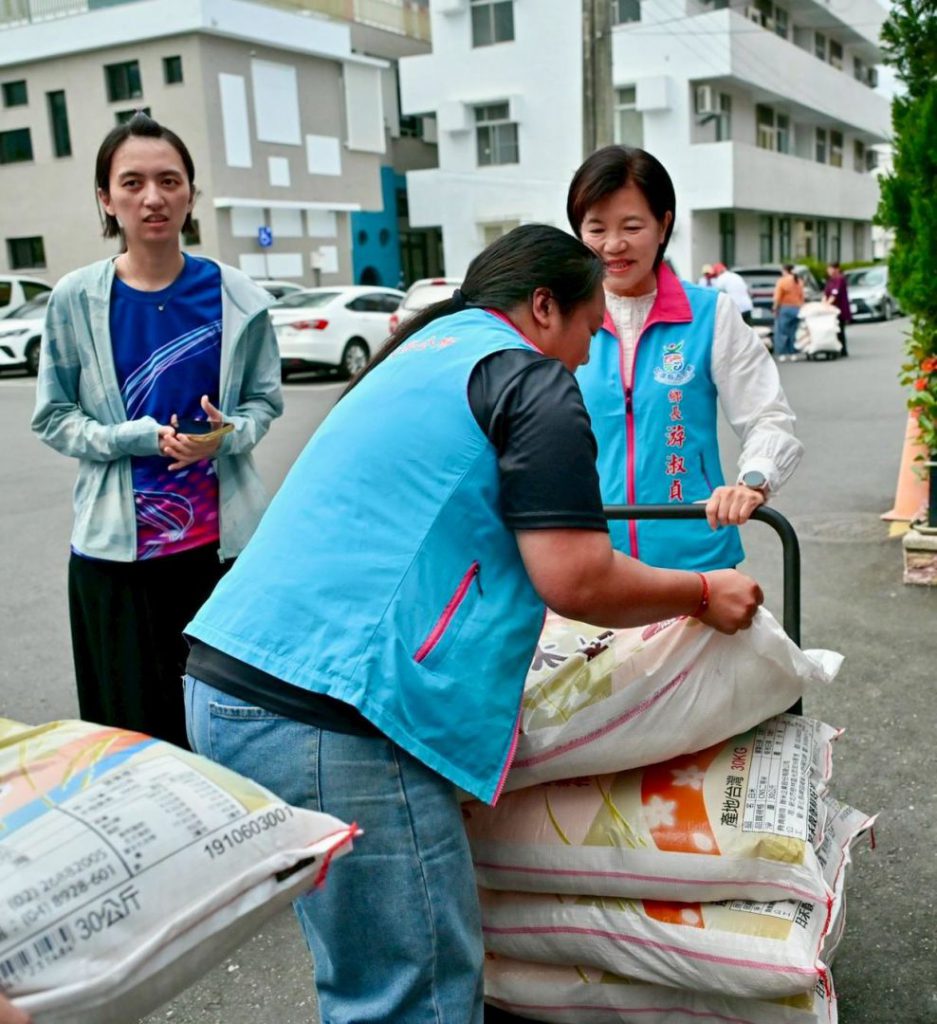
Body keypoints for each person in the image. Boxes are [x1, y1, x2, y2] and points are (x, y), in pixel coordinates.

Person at [181, 224, 764, 1024]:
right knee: (412, 998)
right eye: (588, 330)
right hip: (334, 715)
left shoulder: (418, 356)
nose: (586, 356)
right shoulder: (527, 377)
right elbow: (577, 576)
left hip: (231, 686)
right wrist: (702, 592)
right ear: (542, 307)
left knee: (363, 978)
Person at [31, 113, 283, 750]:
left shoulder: (236, 296)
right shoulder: (75, 299)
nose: (153, 197)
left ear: (191, 194)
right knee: (130, 743)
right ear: (105, 198)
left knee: (227, 735)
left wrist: (228, 435)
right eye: (133, 182)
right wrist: (132, 438)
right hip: (116, 564)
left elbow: (264, 402)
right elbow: (53, 416)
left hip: (219, 557)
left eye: (169, 181)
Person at [566, 145, 804, 571]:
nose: (614, 245)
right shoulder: (560, 320)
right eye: (596, 229)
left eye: (632, 226)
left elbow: (767, 415)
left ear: (664, 225)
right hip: (593, 565)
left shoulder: (711, 315)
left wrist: (752, 482)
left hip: (696, 560)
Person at [773, 262, 805, 362]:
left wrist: (775, 308)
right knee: (793, 332)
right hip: (797, 308)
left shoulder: (782, 281)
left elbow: (778, 297)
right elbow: (802, 296)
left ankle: (782, 354)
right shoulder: (799, 281)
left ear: (785, 271)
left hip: (785, 308)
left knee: (782, 332)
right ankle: (793, 353)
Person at [710, 261, 755, 325]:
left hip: (736, 309)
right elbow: (747, 291)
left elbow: (716, 294)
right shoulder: (736, 276)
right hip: (747, 306)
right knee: (748, 329)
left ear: (717, 272)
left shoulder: (721, 278)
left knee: (734, 330)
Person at [823, 261, 851, 357]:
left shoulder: (840, 279)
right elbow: (826, 294)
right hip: (831, 309)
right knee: (834, 330)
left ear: (836, 269)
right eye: (828, 269)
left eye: (830, 269)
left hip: (839, 309)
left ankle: (842, 350)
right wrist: (823, 303)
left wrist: (827, 304)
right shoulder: (830, 280)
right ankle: (837, 348)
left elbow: (834, 294)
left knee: (839, 329)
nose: (829, 271)